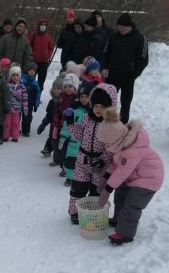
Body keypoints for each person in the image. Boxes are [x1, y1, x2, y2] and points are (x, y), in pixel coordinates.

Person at [97, 107, 164, 245]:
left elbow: (122, 172)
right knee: (120, 195)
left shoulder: (132, 150)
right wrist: (105, 179)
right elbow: (116, 165)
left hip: (148, 180)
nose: (105, 145)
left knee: (132, 205)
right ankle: (117, 219)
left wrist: (108, 188)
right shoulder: (121, 146)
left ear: (116, 139)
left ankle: (125, 234)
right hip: (134, 177)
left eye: (107, 142)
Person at [66, 83, 117, 224]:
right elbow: (78, 135)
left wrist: (103, 159)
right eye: (96, 106)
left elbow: (112, 146)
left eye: (102, 106)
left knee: (96, 191)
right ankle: (75, 212)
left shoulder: (111, 125)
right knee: (77, 188)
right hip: (83, 160)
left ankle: (93, 213)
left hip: (99, 164)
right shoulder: (87, 119)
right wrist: (70, 123)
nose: (98, 110)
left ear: (110, 107)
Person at [102, 13, 149, 124]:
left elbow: (144, 60)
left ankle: (122, 126)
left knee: (125, 103)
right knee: (107, 100)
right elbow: (106, 53)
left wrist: (133, 75)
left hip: (128, 76)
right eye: (119, 26)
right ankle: (105, 123)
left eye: (123, 27)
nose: (120, 29)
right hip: (112, 75)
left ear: (130, 26)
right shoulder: (114, 37)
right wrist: (104, 67)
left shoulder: (140, 38)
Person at [59, 81, 94, 186]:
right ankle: (69, 177)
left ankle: (83, 178)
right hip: (74, 142)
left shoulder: (94, 112)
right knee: (70, 161)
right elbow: (67, 124)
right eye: (82, 96)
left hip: (87, 144)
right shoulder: (74, 109)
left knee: (85, 163)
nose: (84, 99)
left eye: (87, 97)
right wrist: (63, 136)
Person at [52, 73, 79, 177]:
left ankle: (73, 168)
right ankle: (64, 167)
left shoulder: (78, 100)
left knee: (72, 151)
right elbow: (56, 114)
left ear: (75, 87)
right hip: (63, 129)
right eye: (66, 86)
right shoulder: (61, 99)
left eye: (71, 86)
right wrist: (55, 126)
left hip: (75, 130)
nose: (68, 89)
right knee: (63, 150)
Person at [37, 75, 64, 157]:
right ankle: (48, 149)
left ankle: (60, 153)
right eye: (54, 88)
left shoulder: (65, 102)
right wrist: (43, 124)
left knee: (60, 139)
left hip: (63, 125)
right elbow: (49, 115)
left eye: (59, 89)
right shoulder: (51, 102)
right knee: (51, 137)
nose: (56, 91)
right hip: (53, 124)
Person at [3, 66, 28, 142]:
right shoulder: (7, 85)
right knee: (7, 123)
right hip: (8, 107)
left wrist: (25, 106)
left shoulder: (22, 86)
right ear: (10, 76)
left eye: (17, 75)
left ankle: (15, 136)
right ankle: (5, 136)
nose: (15, 77)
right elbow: (4, 95)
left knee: (16, 123)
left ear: (19, 76)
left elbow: (24, 96)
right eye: (13, 75)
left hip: (17, 108)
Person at [28, 18, 54, 91]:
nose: (43, 26)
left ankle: (38, 97)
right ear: (38, 25)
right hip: (33, 62)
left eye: (45, 25)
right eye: (42, 25)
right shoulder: (33, 35)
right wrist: (31, 55)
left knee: (41, 81)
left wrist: (48, 55)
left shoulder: (48, 37)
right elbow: (28, 46)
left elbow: (51, 48)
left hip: (44, 63)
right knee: (30, 80)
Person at [21, 62, 41, 137]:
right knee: (18, 116)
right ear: (27, 71)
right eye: (30, 70)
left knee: (27, 117)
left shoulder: (35, 83)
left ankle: (26, 131)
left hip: (29, 103)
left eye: (34, 71)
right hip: (20, 102)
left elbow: (38, 94)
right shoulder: (22, 80)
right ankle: (16, 129)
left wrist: (36, 104)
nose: (32, 72)